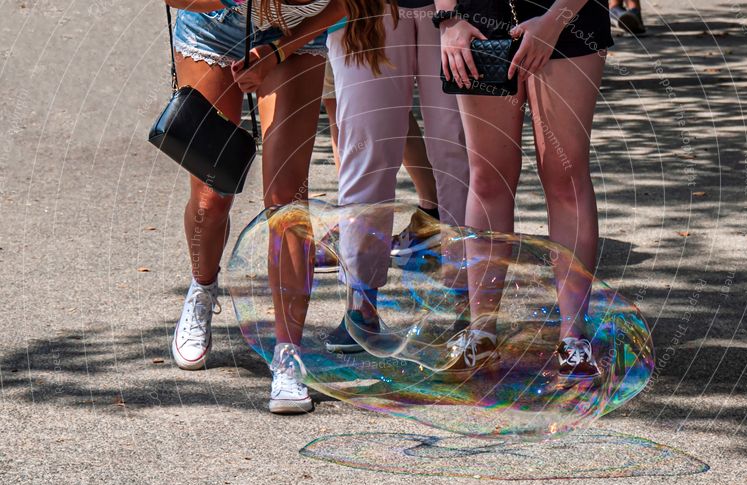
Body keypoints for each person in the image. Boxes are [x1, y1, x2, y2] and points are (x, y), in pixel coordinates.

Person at [165, 0, 394, 413]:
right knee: (211, 195)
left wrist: (276, 52)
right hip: (213, 25)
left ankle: (288, 354)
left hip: (297, 35)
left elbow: (348, 4)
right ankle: (202, 288)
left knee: (286, 199)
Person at [436, 0, 613, 378]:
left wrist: (553, 21)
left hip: (570, 17)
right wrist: (448, 19)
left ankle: (573, 337)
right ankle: (481, 332)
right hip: (479, 17)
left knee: (565, 175)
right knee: (487, 177)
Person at [324, 1, 470, 354]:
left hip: (455, 8)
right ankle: (361, 305)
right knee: (366, 150)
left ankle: (470, 306)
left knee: (457, 151)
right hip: (366, 10)